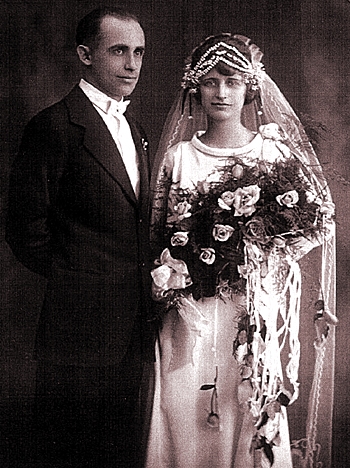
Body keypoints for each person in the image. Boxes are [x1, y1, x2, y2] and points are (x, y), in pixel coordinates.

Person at [146, 34, 336, 467]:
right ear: (195, 88)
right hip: (189, 311)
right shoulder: (179, 157)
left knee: (246, 397)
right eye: (210, 82)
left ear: (250, 86)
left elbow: (317, 221)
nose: (221, 92)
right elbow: (157, 232)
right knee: (183, 398)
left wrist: (263, 253)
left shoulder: (271, 152)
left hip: (250, 306)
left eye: (231, 81)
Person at [6, 7, 153, 467]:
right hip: (77, 327)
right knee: (70, 450)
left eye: (139, 52)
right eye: (119, 51)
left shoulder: (135, 128)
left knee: (119, 448)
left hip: (132, 327)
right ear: (85, 54)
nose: (131, 64)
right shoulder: (53, 126)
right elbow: (24, 230)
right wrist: (79, 277)